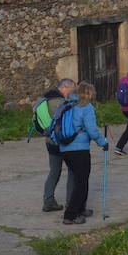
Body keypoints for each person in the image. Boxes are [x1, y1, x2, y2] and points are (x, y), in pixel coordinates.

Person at [57, 82, 109, 224]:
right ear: (89, 93)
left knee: (79, 181)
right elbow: (92, 130)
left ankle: (80, 210)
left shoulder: (68, 104)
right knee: (81, 182)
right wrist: (103, 143)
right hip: (79, 149)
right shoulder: (86, 107)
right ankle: (70, 215)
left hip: (65, 148)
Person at [35, 79, 75, 212]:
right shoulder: (60, 103)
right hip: (63, 142)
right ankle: (71, 203)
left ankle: (48, 200)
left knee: (54, 171)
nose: (72, 93)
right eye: (72, 90)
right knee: (73, 171)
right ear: (65, 87)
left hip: (50, 142)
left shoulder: (44, 100)